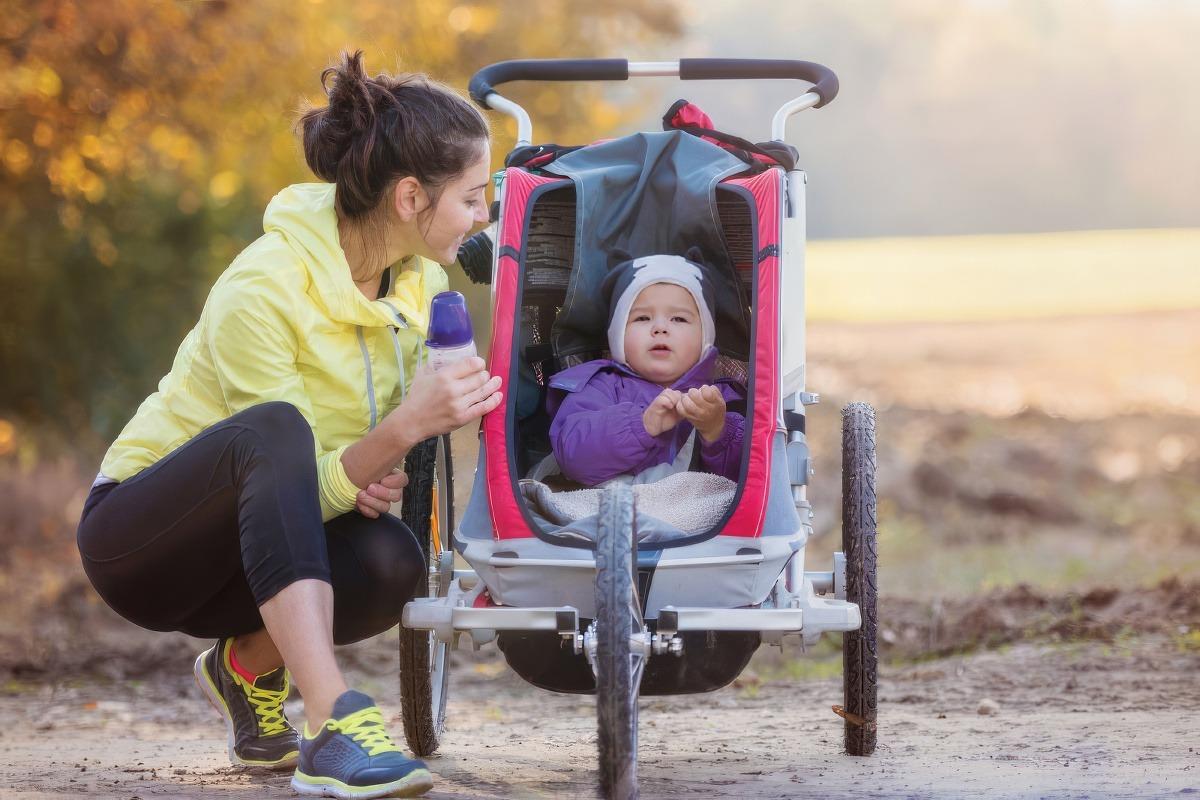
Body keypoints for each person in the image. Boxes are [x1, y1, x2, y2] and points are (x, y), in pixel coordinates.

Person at [74, 51, 501, 799]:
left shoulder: (419, 285)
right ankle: (332, 720)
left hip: (253, 552)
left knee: (392, 561)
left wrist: (373, 463)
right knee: (271, 430)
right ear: (409, 198)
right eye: (472, 198)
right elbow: (279, 455)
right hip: (141, 541)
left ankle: (241, 668)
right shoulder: (263, 287)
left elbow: (316, 483)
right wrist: (396, 434)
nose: (482, 218)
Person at [547, 251, 746, 488]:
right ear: (619, 334)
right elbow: (573, 457)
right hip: (609, 514)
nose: (660, 328)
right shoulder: (598, 386)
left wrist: (717, 431)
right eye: (642, 318)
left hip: (696, 521)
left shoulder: (723, 399)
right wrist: (641, 424)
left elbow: (749, 483)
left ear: (705, 338)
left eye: (679, 319)